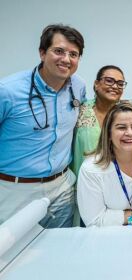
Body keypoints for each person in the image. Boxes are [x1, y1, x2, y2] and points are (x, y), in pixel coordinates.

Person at [0, 24, 86, 227]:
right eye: (59, 51)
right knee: (11, 255)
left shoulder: (78, 86)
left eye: (73, 54)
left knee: (57, 251)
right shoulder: (8, 91)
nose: (66, 59)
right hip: (14, 189)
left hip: (61, 188)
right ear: (42, 53)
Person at [77, 102, 132, 227]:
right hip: (106, 230)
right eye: (121, 127)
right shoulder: (92, 169)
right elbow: (95, 220)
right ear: (109, 133)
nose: (130, 133)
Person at [71, 65, 127, 176]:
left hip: (117, 180)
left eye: (120, 84)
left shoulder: (125, 114)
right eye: (109, 81)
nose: (115, 86)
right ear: (96, 84)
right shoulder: (80, 111)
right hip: (83, 180)